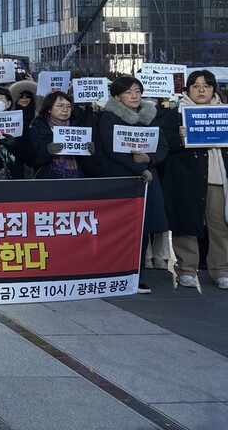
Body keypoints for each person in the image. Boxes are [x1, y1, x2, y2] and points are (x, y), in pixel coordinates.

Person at [98, 76, 168, 294]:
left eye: (137, 91)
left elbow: (162, 146)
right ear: (117, 96)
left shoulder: (149, 117)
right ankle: (115, 272)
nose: (134, 95)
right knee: (120, 229)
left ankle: (136, 275)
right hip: (122, 179)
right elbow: (112, 150)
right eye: (129, 92)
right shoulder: (109, 118)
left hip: (147, 179)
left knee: (143, 230)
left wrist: (149, 160)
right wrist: (140, 168)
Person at [160, 69, 228, 290]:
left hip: (218, 179)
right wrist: (179, 139)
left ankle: (221, 270)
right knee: (187, 225)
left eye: (206, 86)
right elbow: (163, 144)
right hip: (187, 180)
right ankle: (186, 270)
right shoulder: (176, 114)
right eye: (196, 86)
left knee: (220, 228)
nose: (202, 90)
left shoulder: (223, 113)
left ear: (213, 89)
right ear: (188, 89)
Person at [29, 91, 95, 179]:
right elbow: (31, 160)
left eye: (69, 106)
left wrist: (90, 152)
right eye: (60, 106)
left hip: (76, 180)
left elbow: (87, 165)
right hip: (47, 181)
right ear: (49, 109)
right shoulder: (37, 129)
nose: (65, 109)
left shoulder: (79, 129)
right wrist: (48, 152)